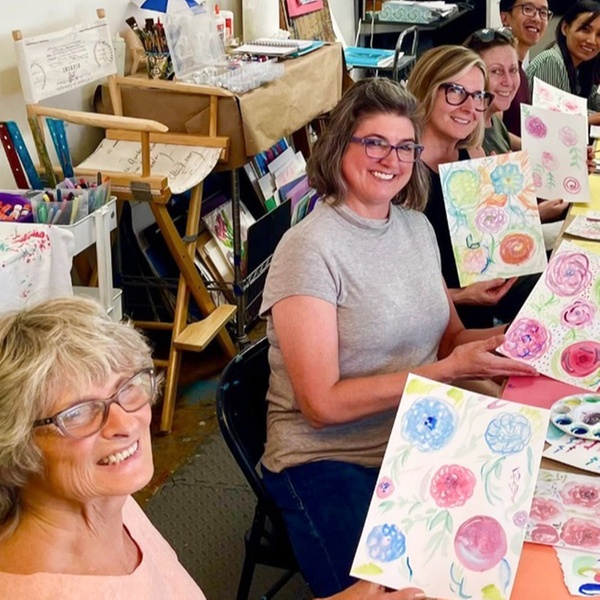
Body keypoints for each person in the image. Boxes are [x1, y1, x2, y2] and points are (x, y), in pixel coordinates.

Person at [259, 77, 537, 598]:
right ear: (340, 145)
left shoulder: (415, 228)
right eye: (375, 143)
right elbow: (321, 405)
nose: (392, 159)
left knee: (512, 539)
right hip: (330, 456)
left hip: (421, 431)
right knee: (397, 592)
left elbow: (450, 339)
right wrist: (445, 372)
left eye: (405, 146)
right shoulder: (308, 249)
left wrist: (523, 337)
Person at [0, 296, 431, 600]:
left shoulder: (112, 502)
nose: (125, 423)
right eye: (78, 413)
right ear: (14, 438)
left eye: (127, 387)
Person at [406, 45, 522, 329]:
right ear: (427, 89)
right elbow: (391, 287)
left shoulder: (473, 154)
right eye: (456, 92)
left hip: (481, 314)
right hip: (427, 328)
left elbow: (487, 248)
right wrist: (460, 296)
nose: (470, 108)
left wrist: (507, 203)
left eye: (478, 96)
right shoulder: (402, 169)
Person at [463, 28, 569, 233]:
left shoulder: (493, 118)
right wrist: (537, 214)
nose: (509, 82)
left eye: (513, 70)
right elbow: (479, 229)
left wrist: (567, 158)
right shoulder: (468, 136)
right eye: (496, 71)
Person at [525, 0, 600, 124]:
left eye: (599, 34)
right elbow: (552, 121)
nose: (592, 40)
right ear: (565, 28)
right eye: (585, 29)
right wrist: (593, 118)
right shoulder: (551, 61)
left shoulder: (581, 67)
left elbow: (593, 101)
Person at [499, 0, 552, 135]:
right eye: (528, 9)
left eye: (543, 12)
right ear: (505, 18)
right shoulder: (498, 72)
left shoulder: (521, 71)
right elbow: (492, 131)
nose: (537, 18)